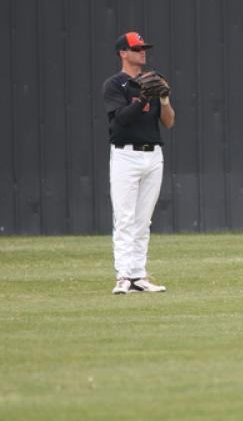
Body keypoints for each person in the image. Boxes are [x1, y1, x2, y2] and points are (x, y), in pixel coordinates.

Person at [102, 31, 175, 294]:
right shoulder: (114, 84)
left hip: (153, 154)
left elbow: (168, 122)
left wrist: (164, 98)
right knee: (124, 218)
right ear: (123, 52)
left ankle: (138, 276)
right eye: (136, 48)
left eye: (143, 47)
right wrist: (144, 97)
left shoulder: (152, 81)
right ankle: (123, 277)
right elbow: (120, 119)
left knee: (143, 221)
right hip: (125, 154)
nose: (142, 51)